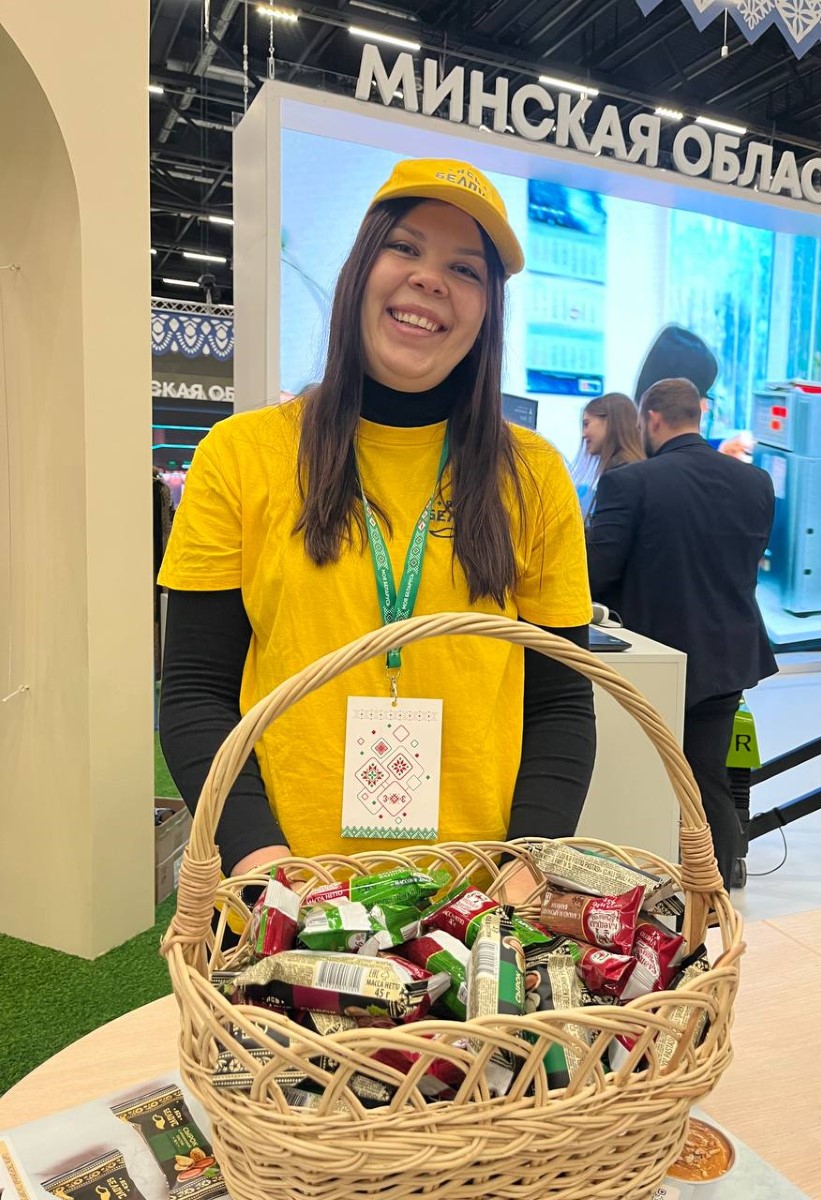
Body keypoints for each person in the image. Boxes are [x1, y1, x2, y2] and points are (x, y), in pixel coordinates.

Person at [158, 157, 596, 890]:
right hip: (286, 895)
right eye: (405, 247)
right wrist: (265, 866)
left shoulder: (534, 475)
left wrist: (526, 867)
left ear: (487, 312)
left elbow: (561, 702)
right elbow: (197, 692)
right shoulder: (241, 455)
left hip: (473, 907)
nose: (430, 279)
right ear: (360, 269)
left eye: (465, 269)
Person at [586, 377, 776, 889]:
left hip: (654, 658)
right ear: (698, 415)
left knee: (639, 776)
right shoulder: (755, 482)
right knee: (706, 778)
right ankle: (717, 889)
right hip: (728, 654)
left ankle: (637, 888)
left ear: (651, 418)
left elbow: (597, 572)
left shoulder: (632, 482)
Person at [579, 392, 644, 518]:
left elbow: (608, 529)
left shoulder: (615, 479)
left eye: (587, 424)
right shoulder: (641, 470)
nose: (583, 434)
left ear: (610, 422)